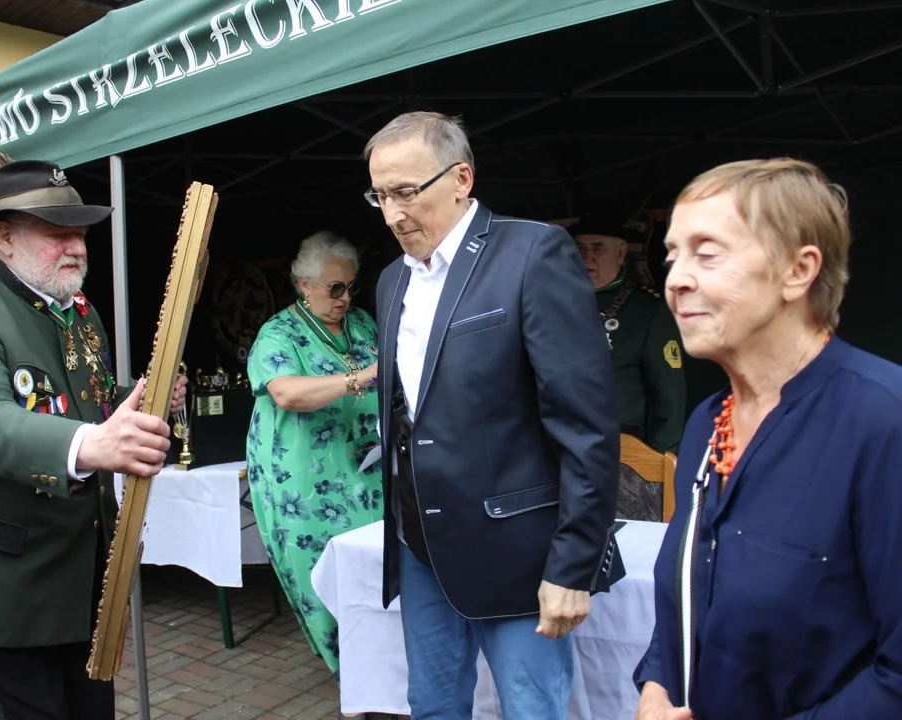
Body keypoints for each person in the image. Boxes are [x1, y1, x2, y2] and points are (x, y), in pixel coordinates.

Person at [366, 111, 624, 720]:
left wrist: (574, 564)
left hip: (517, 551)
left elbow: (585, 425)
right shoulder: (388, 282)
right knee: (431, 706)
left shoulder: (532, 252)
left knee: (531, 710)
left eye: (407, 192)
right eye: (379, 195)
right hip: (419, 543)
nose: (393, 214)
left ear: (461, 178)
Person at [0, 159, 187, 720]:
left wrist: (139, 399)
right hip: (1, 595)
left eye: (81, 233)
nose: (76, 247)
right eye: (57, 232)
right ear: (6, 238)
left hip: (80, 584)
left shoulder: (77, 312)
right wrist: (94, 444)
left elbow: (80, 405)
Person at [634, 158, 902, 719]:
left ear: (798, 271)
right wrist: (659, 686)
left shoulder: (881, 421)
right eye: (673, 255)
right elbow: (687, 596)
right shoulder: (709, 423)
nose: (677, 279)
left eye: (708, 254)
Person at [244, 231, 383, 682]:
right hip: (303, 481)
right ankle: (354, 677)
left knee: (374, 572)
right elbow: (285, 393)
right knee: (324, 576)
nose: (345, 299)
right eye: (334, 288)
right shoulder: (278, 333)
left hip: (368, 469)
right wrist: (360, 379)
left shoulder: (362, 323)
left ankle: (381, 669)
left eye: (351, 287)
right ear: (304, 284)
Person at [572, 219, 686, 521]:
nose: (587, 256)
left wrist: (662, 464)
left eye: (598, 248)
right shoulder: (552, 299)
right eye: (581, 248)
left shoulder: (646, 309)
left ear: (621, 254)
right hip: (558, 449)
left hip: (625, 455)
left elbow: (669, 394)